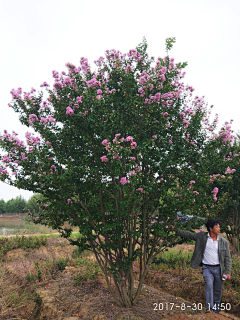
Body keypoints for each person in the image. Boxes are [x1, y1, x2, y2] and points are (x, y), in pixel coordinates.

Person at [171, 219, 231, 314]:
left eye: (219, 227)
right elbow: (189, 234)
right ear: (211, 229)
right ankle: (209, 309)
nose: (219, 229)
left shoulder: (223, 242)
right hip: (207, 268)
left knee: (218, 291)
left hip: (219, 269)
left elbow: (227, 258)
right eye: (217, 227)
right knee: (209, 285)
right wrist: (176, 230)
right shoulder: (201, 237)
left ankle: (215, 311)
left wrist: (227, 272)